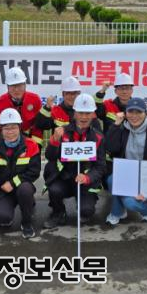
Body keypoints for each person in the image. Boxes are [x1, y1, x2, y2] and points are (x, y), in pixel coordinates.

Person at [43, 94, 106, 229]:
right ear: (74, 113)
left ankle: (84, 205)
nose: (84, 117)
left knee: (86, 211)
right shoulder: (63, 132)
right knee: (54, 190)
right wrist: (54, 140)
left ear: (93, 114)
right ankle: (58, 212)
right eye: (80, 113)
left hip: (84, 182)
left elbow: (100, 166)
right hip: (65, 178)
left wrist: (87, 177)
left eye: (87, 113)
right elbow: (50, 157)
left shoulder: (98, 137)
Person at [103, 97, 147, 225]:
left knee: (130, 202)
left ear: (145, 113)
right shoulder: (122, 128)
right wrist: (116, 125)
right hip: (127, 173)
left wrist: (145, 189)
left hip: (146, 176)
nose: (134, 116)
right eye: (130, 112)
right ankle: (117, 211)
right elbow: (110, 148)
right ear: (125, 113)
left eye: (139, 112)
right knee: (111, 180)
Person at [0, 108, 41, 238]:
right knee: (4, 219)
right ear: (1, 129)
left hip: (21, 186)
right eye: (6, 128)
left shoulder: (31, 145)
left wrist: (13, 183)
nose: (10, 132)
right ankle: (19, 204)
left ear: (20, 127)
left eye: (14, 127)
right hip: (2, 189)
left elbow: (34, 172)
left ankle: (26, 222)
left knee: (25, 190)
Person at [0, 67, 44, 147]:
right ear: (7, 87)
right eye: (13, 86)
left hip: (31, 140)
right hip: (7, 141)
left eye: (19, 85)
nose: (16, 90)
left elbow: (38, 126)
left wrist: (34, 145)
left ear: (25, 85)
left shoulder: (35, 99)